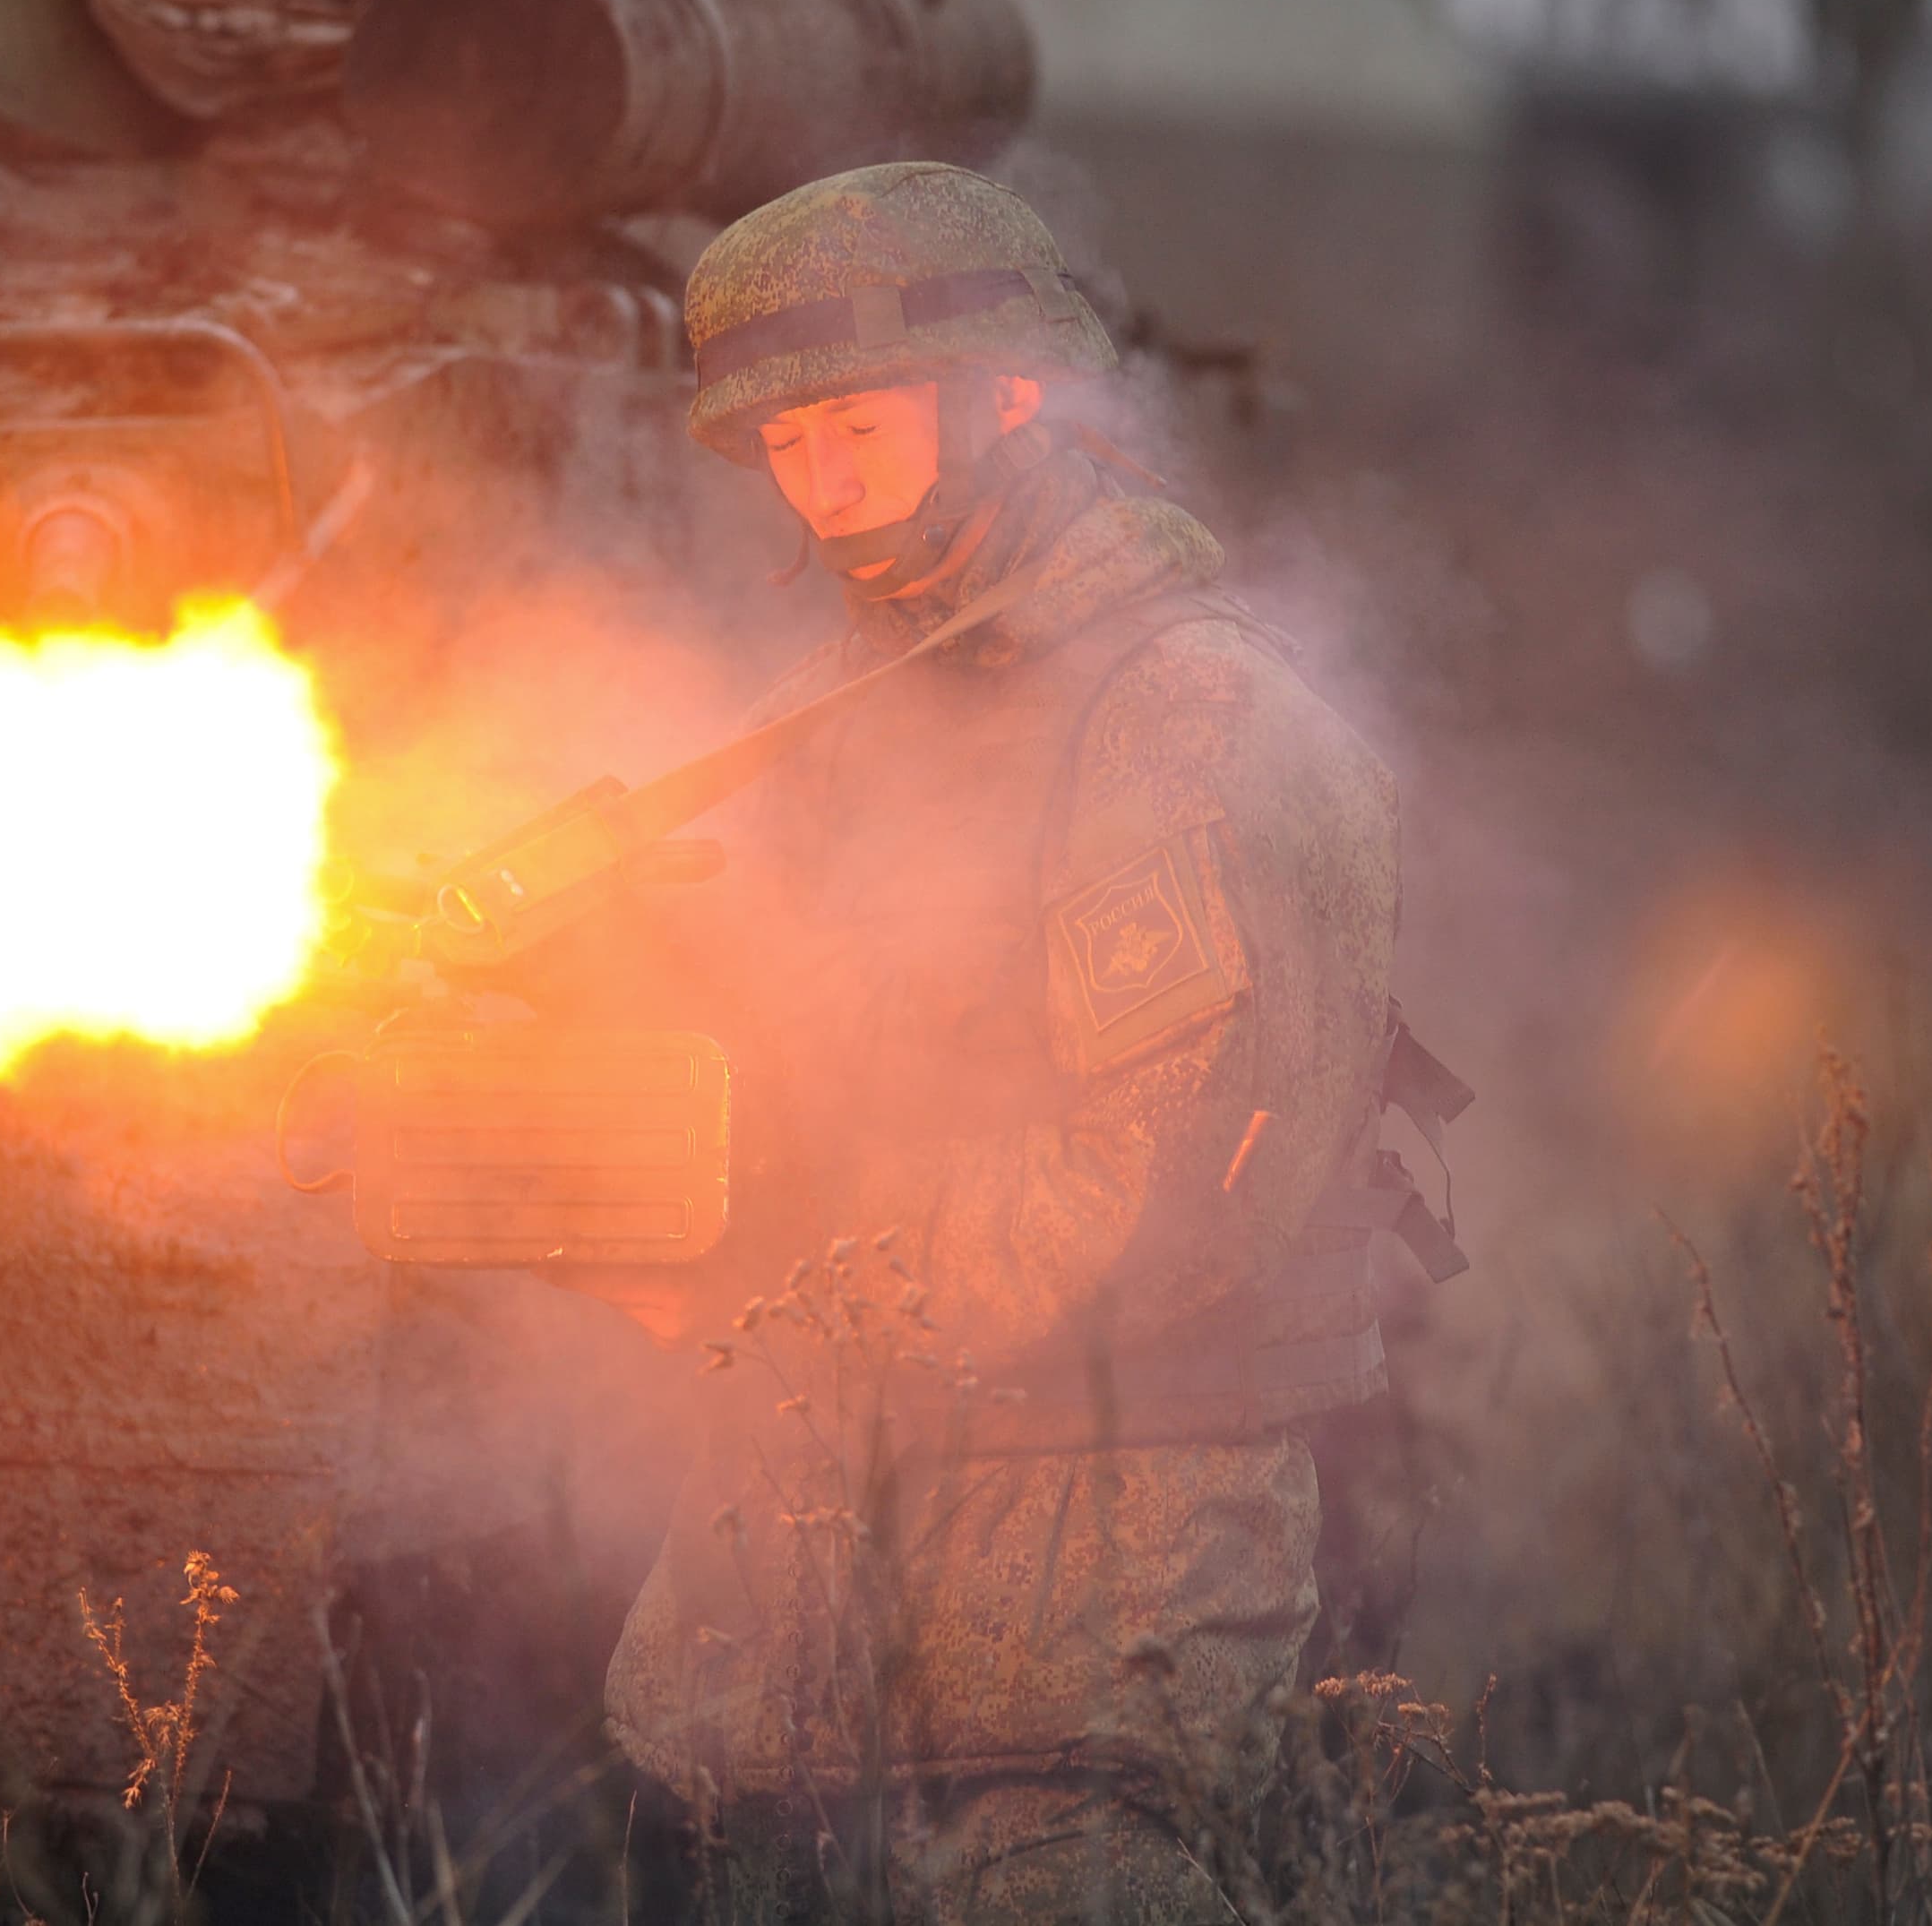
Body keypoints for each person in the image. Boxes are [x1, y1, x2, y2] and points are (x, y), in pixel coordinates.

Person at [552, 160, 1461, 1922]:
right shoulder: (856, 702)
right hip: (866, 1478)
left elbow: (1168, 1184)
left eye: (855, 429)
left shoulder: (1176, 710)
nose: (820, 488)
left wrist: (786, 1260)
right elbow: (792, 1023)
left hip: (1111, 1518)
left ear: (1008, 396)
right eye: (784, 449)